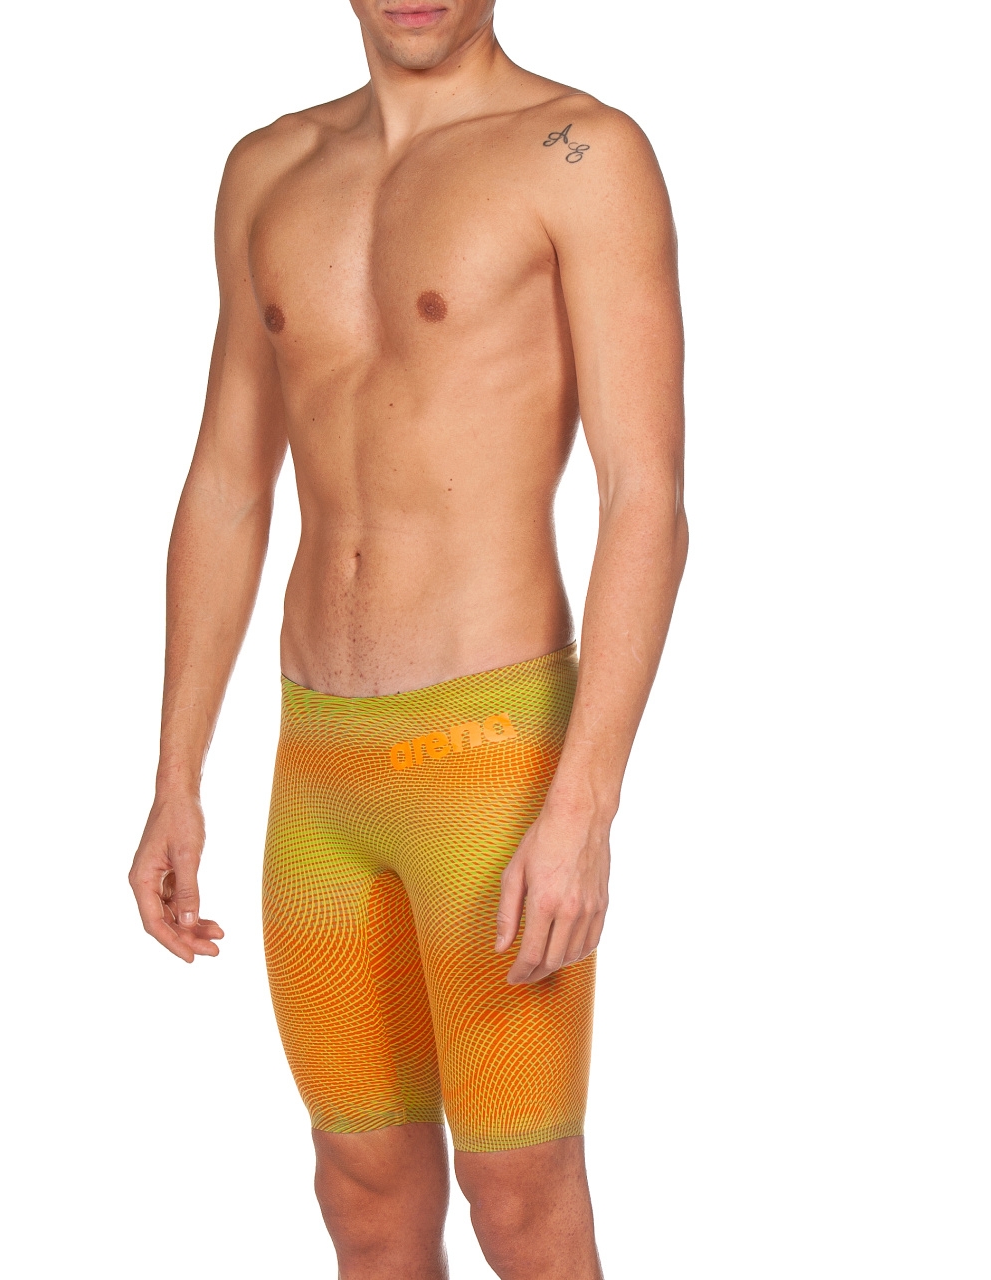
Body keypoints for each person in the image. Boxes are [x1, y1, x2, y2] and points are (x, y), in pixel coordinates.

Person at [128, 1, 686, 1275]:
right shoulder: (268, 169)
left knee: (520, 1198)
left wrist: (583, 800)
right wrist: (175, 774)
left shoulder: (578, 153)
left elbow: (643, 494)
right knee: (362, 1193)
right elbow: (227, 481)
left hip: (490, 758)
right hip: (317, 767)